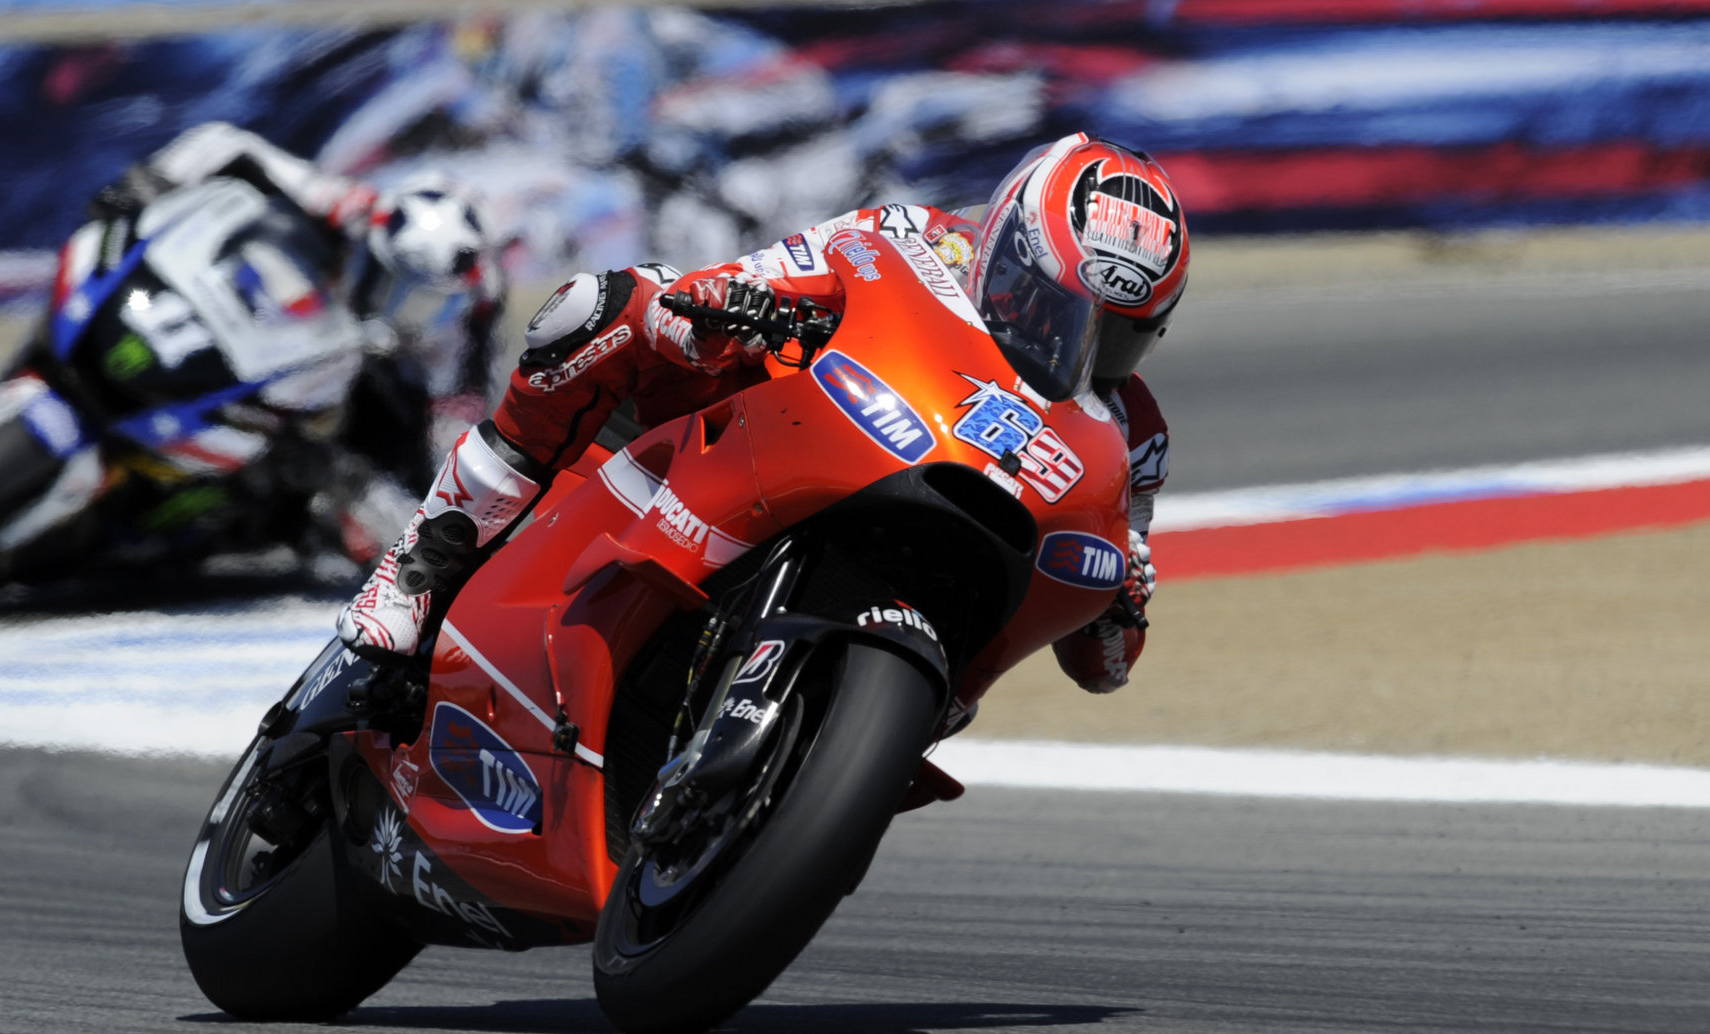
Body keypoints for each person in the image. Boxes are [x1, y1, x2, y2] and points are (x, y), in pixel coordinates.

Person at [338, 132, 1183, 701]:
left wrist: (1124, 601)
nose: (1075, 344)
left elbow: (1103, 668)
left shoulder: (1130, 439)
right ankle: (424, 564)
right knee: (602, 306)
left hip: (934, 573)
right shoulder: (911, 234)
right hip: (782, 435)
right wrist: (707, 314)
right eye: (1056, 306)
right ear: (1004, 244)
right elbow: (747, 280)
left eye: (1116, 335)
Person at [85, 121, 506, 560]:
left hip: (367, 381)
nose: (402, 305)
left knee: (382, 471)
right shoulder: (349, 206)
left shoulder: (459, 331)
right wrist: (153, 180)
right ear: (372, 239)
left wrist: (345, 475)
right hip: (277, 336)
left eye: (423, 299)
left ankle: (291, 532)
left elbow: (456, 447)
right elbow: (226, 142)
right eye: (392, 282)